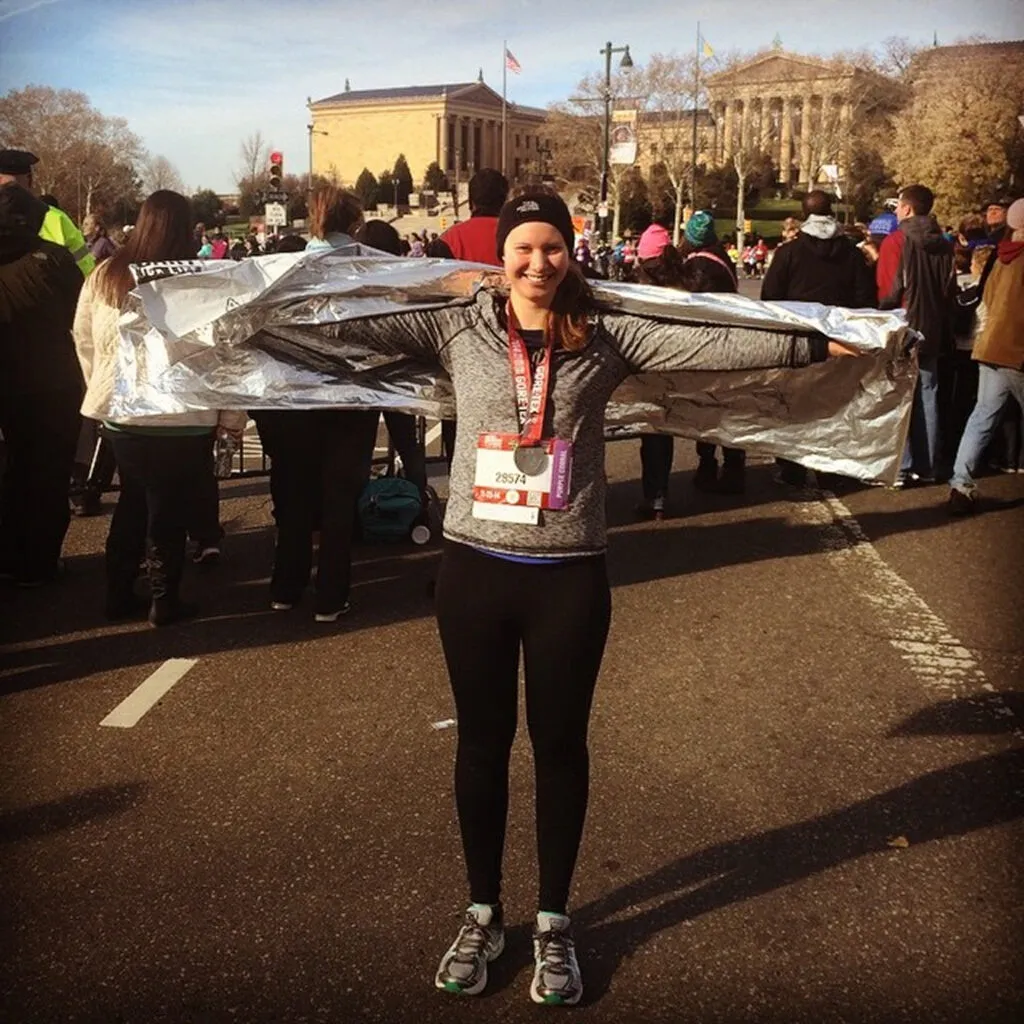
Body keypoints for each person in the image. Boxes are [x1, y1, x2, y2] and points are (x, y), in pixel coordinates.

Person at [284, 189, 845, 1004]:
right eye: (523, 247)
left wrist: (816, 342)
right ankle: (482, 911)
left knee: (559, 748)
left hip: (568, 575)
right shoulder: (456, 324)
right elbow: (343, 326)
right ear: (502, 253)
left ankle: (553, 921)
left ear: (571, 252)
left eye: (552, 246)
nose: (538, 262)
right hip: (475, 570)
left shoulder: (605, 332)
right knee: (481, 746)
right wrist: (236, 312)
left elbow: (708, 340)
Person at [73, 190, 246, 625]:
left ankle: (118, 592)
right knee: (168, 510)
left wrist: (101, 386)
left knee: (132, 502)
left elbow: (85, 338)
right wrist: (230, 417)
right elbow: (225, 354)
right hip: (184, 415)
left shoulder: (106, 275)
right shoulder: (201, 279)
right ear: (187, 229)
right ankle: (164, 599)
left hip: (124, 412)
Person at [251, 185, 378, 621]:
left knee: (294, 495)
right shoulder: (369, 269)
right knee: (339, 502)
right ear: (355, 223)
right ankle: (331, 596)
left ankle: (286, 587)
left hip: (294, 399)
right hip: (350, 399)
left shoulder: (285, 270)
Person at [763, 190, 878, 488]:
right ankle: (830, 470)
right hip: (839, 339)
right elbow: (865, 298)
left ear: (804, 214)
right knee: (834, 406)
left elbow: (770, 297)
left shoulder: (789, 253)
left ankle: (792, 468)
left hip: (798, 339)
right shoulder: (851, 254)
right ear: (831, 212)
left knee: (793, 405)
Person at [0, 184, 84, 586]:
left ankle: (9, 556)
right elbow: (80, 313)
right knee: (50, 473)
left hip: (7, 383)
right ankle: (39, 562)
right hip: (54, 381)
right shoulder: (53, 259)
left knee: (13, 469)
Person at [947, 198, 1024, 512]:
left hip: (990, 344)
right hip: (1017, 349)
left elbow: (986, 298)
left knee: (982, 416)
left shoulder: (999, 256)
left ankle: (961, 484)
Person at [876, 183, 956, 486]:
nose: (896, 210)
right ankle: (929, 463)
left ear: (907, 208)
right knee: (928, 392)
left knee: (899, 395)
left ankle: (901, 465)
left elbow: (888, 289)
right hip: (933, 324)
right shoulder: (944, 244)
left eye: (898, 205)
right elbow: (949, 288)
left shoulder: (896, 241)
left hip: (903, 323)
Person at [0, 148, 95, 276]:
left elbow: (82, 262)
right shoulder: (54, 217)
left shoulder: (54, 218)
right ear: (29, 179)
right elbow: (85, 266)